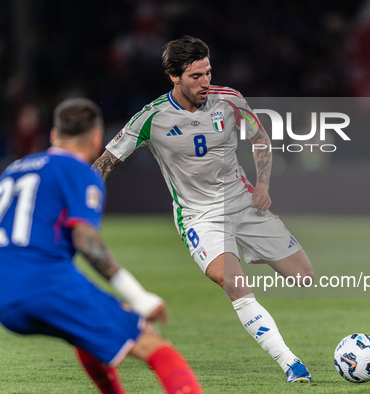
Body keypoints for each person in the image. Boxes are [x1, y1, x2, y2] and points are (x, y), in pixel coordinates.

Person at [92, 36, 314, 383]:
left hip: (243, 203)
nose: (205, 82)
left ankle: (257, 283)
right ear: (174, 77)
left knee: (303, 276)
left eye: (208, 73)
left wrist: (264, 185)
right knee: (234, 282)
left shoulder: (229, 100)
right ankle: (291, 363)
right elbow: (105, 163)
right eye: (196, 76)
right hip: (200, 217)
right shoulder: (151, 118)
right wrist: (79, 201)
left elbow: (259, 138)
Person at [0, 98, 203, 394]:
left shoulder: (15, 169)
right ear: (97, 140)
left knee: (87, 336)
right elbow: (86, 241)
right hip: (45, 285)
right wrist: (138, 296)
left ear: (54, 136)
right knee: (153, 344)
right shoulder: (80, 172)